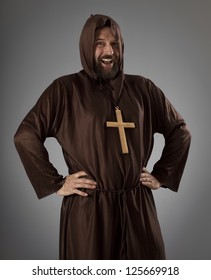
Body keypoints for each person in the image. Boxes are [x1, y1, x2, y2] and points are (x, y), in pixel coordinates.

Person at [14, 14, 191, 260]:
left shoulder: (143, 89)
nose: (109, 51)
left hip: (137, 209)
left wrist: (162, 175)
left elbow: (180, 131)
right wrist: (56, 183)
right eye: (100, 43)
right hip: (89, 213)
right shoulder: (66, 90)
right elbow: (26, 134)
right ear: (87, 46)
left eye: (114, 43)